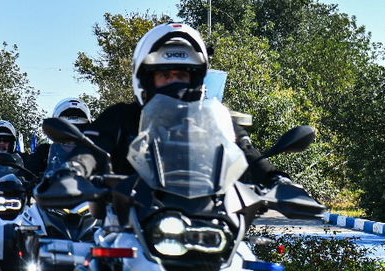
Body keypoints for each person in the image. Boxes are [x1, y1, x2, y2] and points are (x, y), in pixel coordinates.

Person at [54, 22, 276, 185]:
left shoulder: (214, 122)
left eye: (181, 75)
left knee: (243, 251)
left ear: (196, 79)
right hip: (129, 225)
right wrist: (73, 170)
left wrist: (276, 180)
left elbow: (247, 153)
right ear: (147, 79)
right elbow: (92, 150)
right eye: (165, 75)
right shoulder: (121, 118)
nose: (174, 83)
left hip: (209, 222)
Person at [25, 99, 91, 179]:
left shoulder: (95, 155)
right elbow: (25, 176)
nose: (71, 137)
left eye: (78, 130)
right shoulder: (43, 153)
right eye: (65, 131)